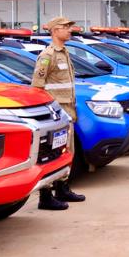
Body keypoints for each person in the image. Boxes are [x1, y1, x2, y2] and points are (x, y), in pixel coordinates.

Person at [30, 16, 85, 211]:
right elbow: (37, 86)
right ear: (54, 31)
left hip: (67, 110)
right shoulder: (48, 55)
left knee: (66, 151)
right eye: (65, 27)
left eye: (70, 27)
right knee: (51, 153)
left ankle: (62, 188)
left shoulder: (64, 52)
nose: (70, 30)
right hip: (54, 113)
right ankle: (45, 196)